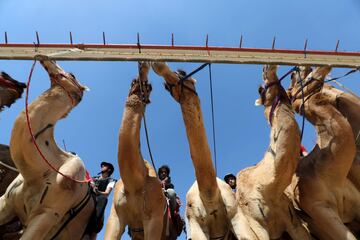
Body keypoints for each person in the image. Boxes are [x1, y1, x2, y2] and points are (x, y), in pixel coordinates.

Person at [89, 162, 116, 240]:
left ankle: (95, 223)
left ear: (109, 169)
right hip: (90, 196)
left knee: (103, 199)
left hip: (99, 200)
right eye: (102, 165)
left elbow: (107, 194)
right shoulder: (94, 178)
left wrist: (98, 192)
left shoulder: (111, 181)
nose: (102, 166)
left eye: (105, 166)